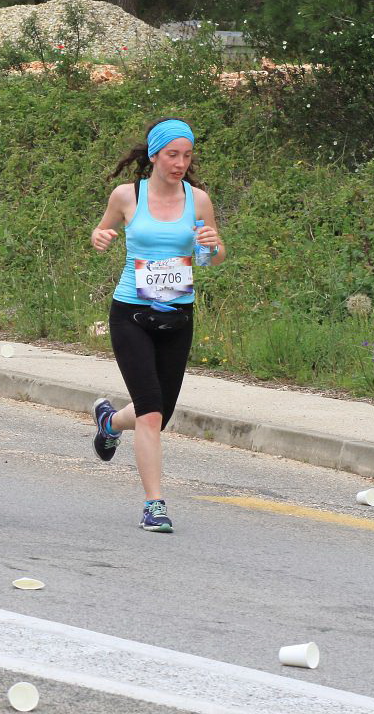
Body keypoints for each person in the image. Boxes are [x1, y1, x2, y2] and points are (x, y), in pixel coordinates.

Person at [89, 118, 226, 532]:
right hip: (131, 312)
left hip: (178, 316)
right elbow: (103, 228)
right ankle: (155, 505)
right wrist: (100, 237)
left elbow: (214, 255)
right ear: (154, 155)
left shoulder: (198, 199)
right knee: (150, 414)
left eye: (187, 155)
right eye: (172, 155)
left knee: (159, 413)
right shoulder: (128, 194)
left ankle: (109, 422)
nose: (180, 163)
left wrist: (213, 247)